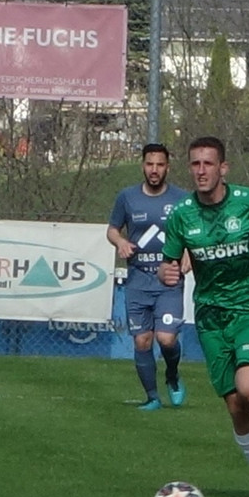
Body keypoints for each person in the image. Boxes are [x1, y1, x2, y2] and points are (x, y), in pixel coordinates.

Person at [159, 136, 249, 497]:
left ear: (223, 168)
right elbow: (168, 263)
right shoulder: (181, 215)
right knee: (236, 405)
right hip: (211, 316)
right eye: (195, 164)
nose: (201, 171)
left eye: (208, 164)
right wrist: (168, 272)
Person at [107, 143, 188, 411]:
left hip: (169, 280)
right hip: (138, 279)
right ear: (143, 166)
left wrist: (189, 254)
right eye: (150, 164)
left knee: (166, 338)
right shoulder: (127, 197)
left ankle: (173, 375)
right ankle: (152, 397)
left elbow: (194, 231)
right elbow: (112, 229)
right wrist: (120, 241)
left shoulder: (182, 199)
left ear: (167, 167)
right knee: (142, 340)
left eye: (160, 165)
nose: (154, 170)